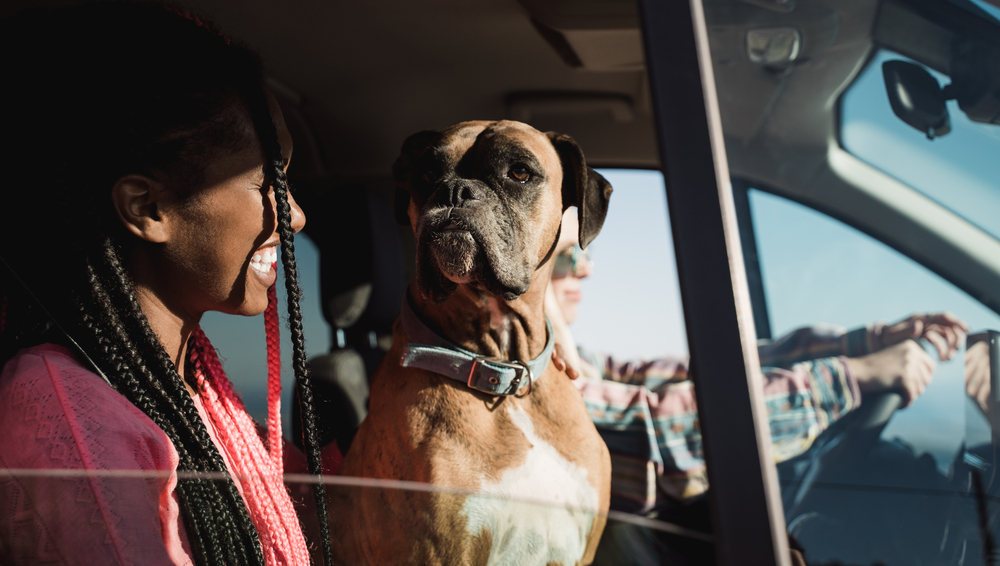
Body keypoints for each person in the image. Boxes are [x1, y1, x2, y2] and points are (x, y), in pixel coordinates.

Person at [0, 4, 334, 565]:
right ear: (147, 207)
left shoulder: (193, 385)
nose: (294, 214)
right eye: (263, 183)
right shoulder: (72, 422)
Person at [545, 209, 967, 544]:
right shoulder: (526, 384)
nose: (586, 270)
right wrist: (848, 379)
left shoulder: (574, 360)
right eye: (567, 256)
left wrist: (861, 345)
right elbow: (658, 434)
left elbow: (690, 372)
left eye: (586, 253)